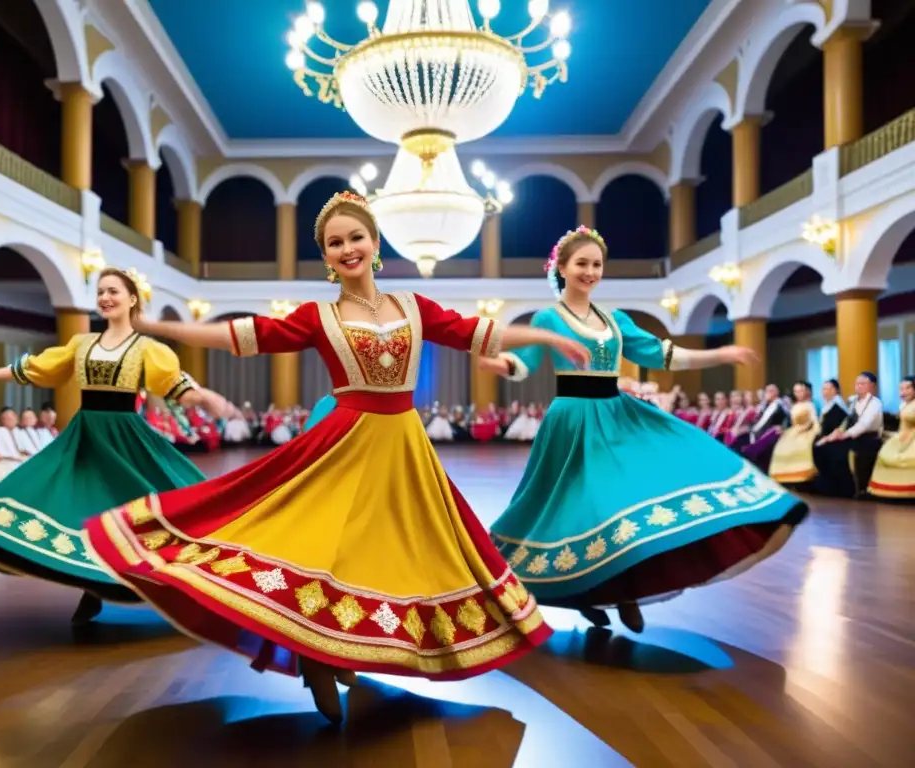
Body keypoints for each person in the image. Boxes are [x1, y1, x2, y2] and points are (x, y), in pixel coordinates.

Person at [83, 191, 590, 725]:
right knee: (324, 546)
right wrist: (160, 326)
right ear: (325, 257)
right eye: (334, 242)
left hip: (405, 448)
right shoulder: (317, 316)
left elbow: (476, 334)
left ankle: (339, 650)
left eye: (355, 237)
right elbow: (242, 335)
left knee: (394, 553)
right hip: (344, 442)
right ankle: (318, 656)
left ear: (375, 243)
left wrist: (541, 334)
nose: (347, 248)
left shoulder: (414, 307)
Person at [478, 226, 809, 633]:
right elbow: (524, 362)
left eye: (597, 264)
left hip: (617, 416)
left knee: (623, 506)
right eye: (581, 263)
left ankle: (624, 593)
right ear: (561, 268)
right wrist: (501, 365)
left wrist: (720, 353)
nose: (590, 271)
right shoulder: (548, 318)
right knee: (580, 512)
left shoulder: (616, 321)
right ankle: (584, 593)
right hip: (573, 423)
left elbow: (663, 354)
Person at [0, 268, 234, 626]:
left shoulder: (147, 349)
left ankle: (181, 584)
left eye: (114, 292)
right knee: (83, 507)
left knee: (145, 506)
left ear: (132, 299)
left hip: (124, 438)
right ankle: (92, 588)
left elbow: (174, 386)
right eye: (101, 292)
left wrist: (206, 398)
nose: (105, 298)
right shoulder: (82, 344)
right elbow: (37, 369)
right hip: (87, 436)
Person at [813, 371, 883, 498]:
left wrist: (844, 435)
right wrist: (833, 435)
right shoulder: (854, 402)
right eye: (857, 384)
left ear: (873, 386)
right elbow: (846, 422)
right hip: (853, 437)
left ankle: (848, 490)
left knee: (836, 450)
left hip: (868, 439)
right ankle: (831, 488)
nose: (858, 386)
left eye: (863, 384)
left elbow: (863, 425)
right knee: (823, 447)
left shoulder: (875, 403)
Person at [868, 376, 915, 499]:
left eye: (908, 388)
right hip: (901, 437)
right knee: (884, 455)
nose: (903, 392)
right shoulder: (903, 405)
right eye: (901, 389)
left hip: (912, 439)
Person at [768, 382, 821, 485]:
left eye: (801, 391)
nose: (799, 393)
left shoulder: (810, 405)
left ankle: (801, 476)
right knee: (781, 447)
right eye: (796, 391)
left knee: (801, 448)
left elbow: (814, 420)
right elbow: (792, 422)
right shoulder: (794, 406)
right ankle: (784, 477)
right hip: (793, 431)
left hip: (806, 431)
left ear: (805, 392)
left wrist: (816, 431)